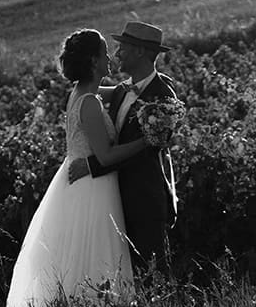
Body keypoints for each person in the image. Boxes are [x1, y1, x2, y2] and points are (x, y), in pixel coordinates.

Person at [5, 29, 149, 307]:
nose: (110, 57)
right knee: (95, 252)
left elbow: (118, 92)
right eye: (104, 53)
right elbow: (106, 156)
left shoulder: (82, 94)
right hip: (93, 188)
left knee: (78, 255)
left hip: (78, 182)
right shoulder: (90, 103)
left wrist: (133, 89)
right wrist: (145, 141)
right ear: (94, 61)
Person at [66, 21, 179, 280]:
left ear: (140, 52)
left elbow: (147, 150)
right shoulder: (120, 91)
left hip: (144, 200)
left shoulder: (162, 96)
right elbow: (85, 94)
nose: (117, 54)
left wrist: (92, 165)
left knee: (154, 277)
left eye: (123, 48)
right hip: (113, 199)